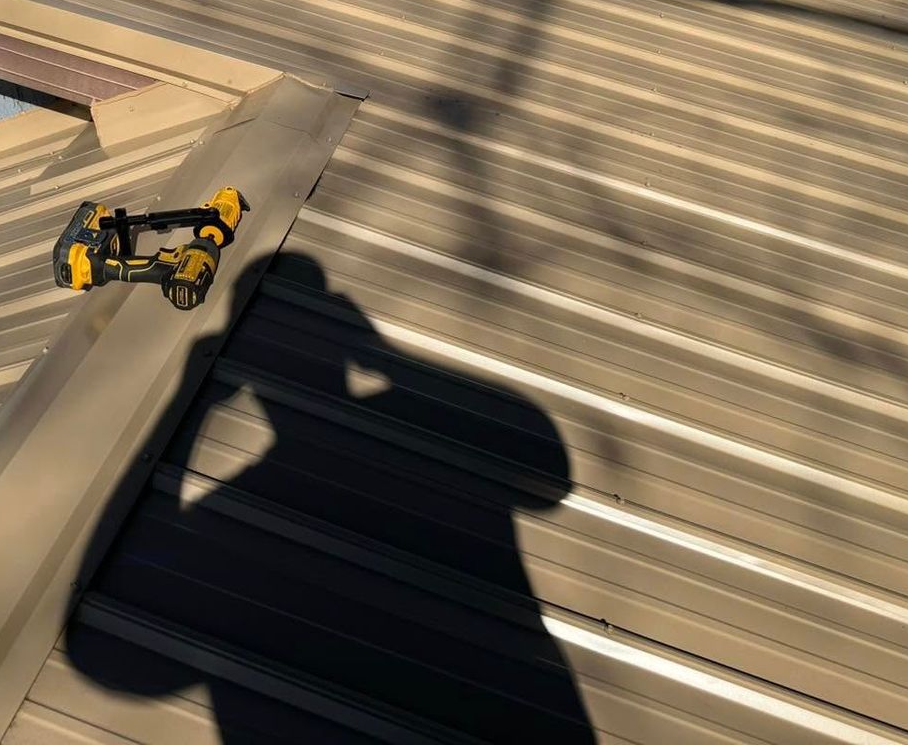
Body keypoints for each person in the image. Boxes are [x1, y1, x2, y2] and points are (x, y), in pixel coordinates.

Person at [67, 253, 595, 742]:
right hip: (529, 715)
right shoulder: (423, 421)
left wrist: (190, 400)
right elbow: (548, 472)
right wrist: (384, 356)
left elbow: (102, 655)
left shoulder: (233, 510)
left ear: (248, 379)